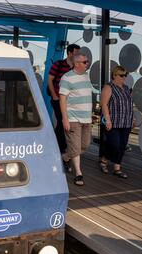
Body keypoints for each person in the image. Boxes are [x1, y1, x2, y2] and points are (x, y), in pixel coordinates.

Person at [59, 54, 93, 186]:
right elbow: (62, 100)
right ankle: (78, 173)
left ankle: (65, 157)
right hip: (73, 118)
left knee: (85, 145)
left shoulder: (86, 76)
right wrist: (65, 119)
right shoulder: (67, 77)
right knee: (75, 146)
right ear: (77, 63)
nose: (87, 63)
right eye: (85, 62)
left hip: (87, 119)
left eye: (87, 61)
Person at [48, 44, 81, 171]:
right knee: (62, 124)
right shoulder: (59, 65)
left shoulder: (77, 68)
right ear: (70, 53)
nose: (78, 55)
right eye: (76, 53)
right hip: (58, 99)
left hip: (71, 102)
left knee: (68, 125)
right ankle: (59, 150)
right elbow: (50, 80)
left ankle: (61, 149)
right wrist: (54, 95)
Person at [99, 66, 134, 179]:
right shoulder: (109, 87)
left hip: (126, 122)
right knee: (114, 144)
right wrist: (108, 120)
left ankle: (117, 168)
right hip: (113, 122)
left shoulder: (127, 88)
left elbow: (129, 105)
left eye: (125, 75)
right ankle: (104, 159)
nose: (124, 77)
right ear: (114, 75)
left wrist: (133, 119)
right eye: (121, 75)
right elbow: (104, 104)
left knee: (122, 146)